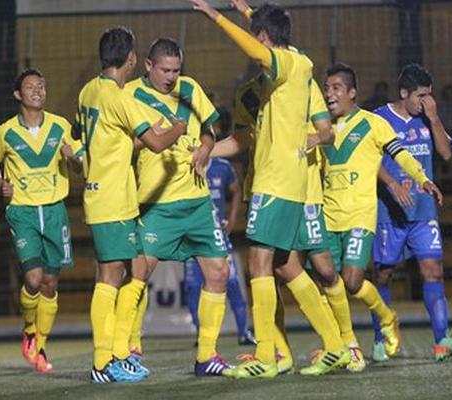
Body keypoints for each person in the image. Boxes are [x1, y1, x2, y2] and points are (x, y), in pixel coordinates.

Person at [191, 0, 349, 379]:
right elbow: (243, 140)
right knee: (285, 264)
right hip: (281, 181)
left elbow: (258, 48)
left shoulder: (292, 66)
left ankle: (266, 354)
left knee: (257, 263)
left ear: (263, 39)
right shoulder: (274, 81)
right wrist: (206, 151)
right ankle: (336, 345)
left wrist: (216, 16)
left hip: (278, 180)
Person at [75, 26, 186, 384]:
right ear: (133, 59)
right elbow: (155, 143)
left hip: (110, 195)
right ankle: (102, 361)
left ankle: (120, 354)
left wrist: (147, 135)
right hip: (110, 197)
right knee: (110, 276)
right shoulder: (119, 97)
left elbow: (116, 143)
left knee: (129, 272)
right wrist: (177, 129)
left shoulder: (88, 91)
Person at [321, 62, 444, 361]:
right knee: (328, 283)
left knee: (352, 281)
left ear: (352, 92)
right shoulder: (319, 127)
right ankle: (342, 347)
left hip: (361, 215)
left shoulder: (373, 123)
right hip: (327, 216)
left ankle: (386, 317)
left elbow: (400, 154)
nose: (329, 94)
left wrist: (423, 179)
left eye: (336, 88)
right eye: (326, 88)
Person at [125, 37, 231, 377]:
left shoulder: (191, 89)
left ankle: (206, 356)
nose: (172, 77)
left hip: (197, 203)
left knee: (219, 272)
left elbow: (210, 132)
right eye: (165, 70)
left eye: (176, 70)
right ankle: (129, 349)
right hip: (157, 203)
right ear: (148, 66)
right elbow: (121, 147)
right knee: (138, 275)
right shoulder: (129, 96)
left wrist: (205, 147)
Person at [0, 68, 83, 373]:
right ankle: (29, 329)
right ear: (18, 95)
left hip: (54, 211)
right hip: (23, 211)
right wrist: (1, 183)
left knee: (51, 284)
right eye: (31, 87)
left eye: (41, 86)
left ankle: (40, 346)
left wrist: (72, 158)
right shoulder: (5, 132)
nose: (38, 90)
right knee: (33, 279)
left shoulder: (61, 126)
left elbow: (80, 166)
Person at [371, 64, 452, 362]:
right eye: (421, 96)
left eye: (430, 95)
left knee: (433, 271)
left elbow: (445, 153)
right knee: (384, 275)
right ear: (404, 93)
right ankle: (381, 340)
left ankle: (442, 341)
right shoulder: (379, 119)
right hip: (389, 213)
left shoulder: (427, 119)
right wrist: (391, 185)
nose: (426, 101)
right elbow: (368, 159)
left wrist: (434, 117)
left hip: (424, 212)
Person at [183, 156, 256, 346]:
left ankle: (243, 331)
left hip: (217, 234)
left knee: (231, 283)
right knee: (192, 287)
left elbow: (236, 190)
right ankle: (202, 335)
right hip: (192, 234)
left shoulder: (222, 166)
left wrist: (232, 220)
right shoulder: (185, 161)